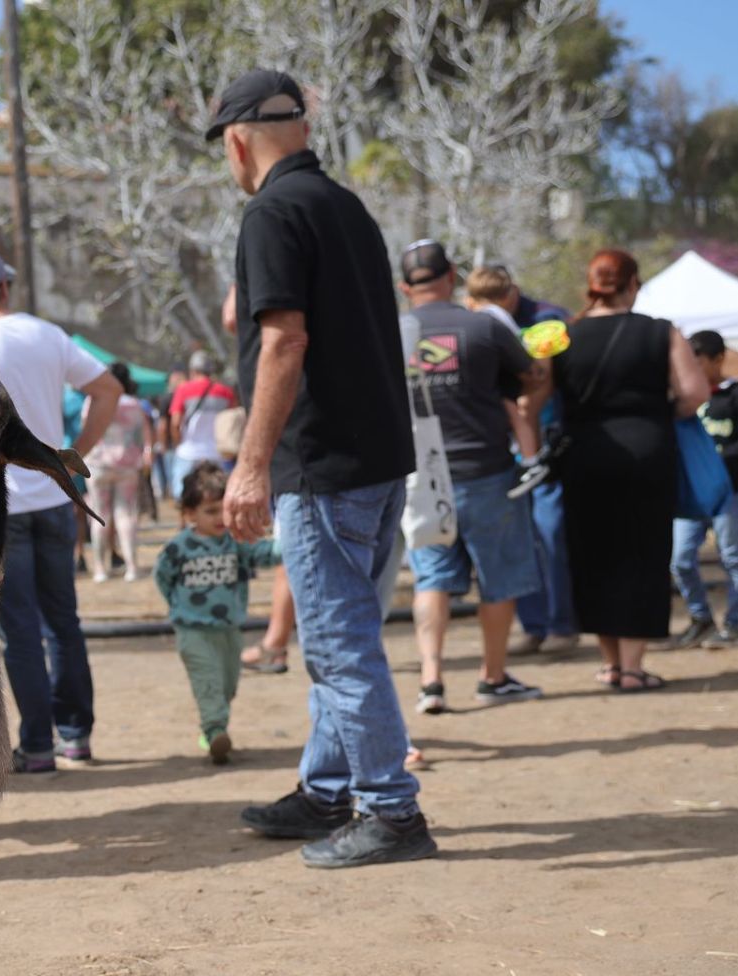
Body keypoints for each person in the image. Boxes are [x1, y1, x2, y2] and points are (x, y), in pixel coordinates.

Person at [209, 68, 435, 868]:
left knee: (339, 643)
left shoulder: (271, 211)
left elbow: (284, 341)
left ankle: (391, 809)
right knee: (349, 632)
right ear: (301, 129)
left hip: (324, 463)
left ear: (237, 141)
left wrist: (251, 466)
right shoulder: (344, 206)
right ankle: (328, 788)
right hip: (376, 456)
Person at [0, 244, 122, 770]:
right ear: (5, 285)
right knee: (63, 622)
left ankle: (39, 745)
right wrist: (75, 457)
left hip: (0, 509)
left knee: (18, 629)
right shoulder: (46, 333)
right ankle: (77, 736)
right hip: (54, 497)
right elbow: (107, 389)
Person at [548, 249, 711, 692]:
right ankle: (634, 666)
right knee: (642, 553)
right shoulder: (660, 332)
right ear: (633, 283)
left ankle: (609, 664)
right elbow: (695, 391)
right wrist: (660, 412)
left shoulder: (566, 335)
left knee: (593, 554)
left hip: (584, 453)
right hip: (646, 449)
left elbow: (539, 394)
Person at [397, 239, 546, 714]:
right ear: (453, 276)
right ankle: (493, 676)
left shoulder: (388, 332)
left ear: (404, 287)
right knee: (498, 578)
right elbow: (532, 374)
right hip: (487, 470)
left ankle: (431, 680)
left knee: (431, 580)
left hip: (421, 477)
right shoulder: (483, 325)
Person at [474, 265, 582, 657]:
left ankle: (560, 623)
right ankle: (534, 624)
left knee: (549, 532)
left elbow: (541, 382)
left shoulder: (545, 320)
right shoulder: (484, 323)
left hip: (545, 442)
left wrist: (528, 436)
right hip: (509, 445)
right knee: (521, 536)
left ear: (511, 294)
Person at [156, 463, 283, 765]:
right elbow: (163, 577)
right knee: (208, 681)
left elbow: (263, 554)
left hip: (229, 629)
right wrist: (178, 607)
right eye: (210, 511)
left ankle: (214, 726)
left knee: (227, 684)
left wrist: (290, 543)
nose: (219, 519)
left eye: (222, 510)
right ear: (189, 514)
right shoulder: (178, 548)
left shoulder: (235, 542)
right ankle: (215, 733)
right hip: (194, 630)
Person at [671, 330, 738, 650]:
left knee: (733, 558)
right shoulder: (681, 402)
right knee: (680, 559)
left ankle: (735, 624)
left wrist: (715, 461)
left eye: (698, 360)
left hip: (728, 493)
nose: (692, 367)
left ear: (718, 359)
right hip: (690, 495)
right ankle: (700, 617)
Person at [85, 362, 151, 582]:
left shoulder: (93, 401)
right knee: (126, 515)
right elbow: (143, 436)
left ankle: (100, 569)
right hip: (127, 465)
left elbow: (87, 429)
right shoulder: (134, 404)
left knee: (98, 515)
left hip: (98, 465)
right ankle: (132, 567)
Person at [166, 351, 239, 487]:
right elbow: (233, 421)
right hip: (218, 455)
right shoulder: (226, 392)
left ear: (192, 370)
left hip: (188, 453)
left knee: (183, 497)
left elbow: (175, 423)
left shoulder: (183, 390)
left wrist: (178, 444)